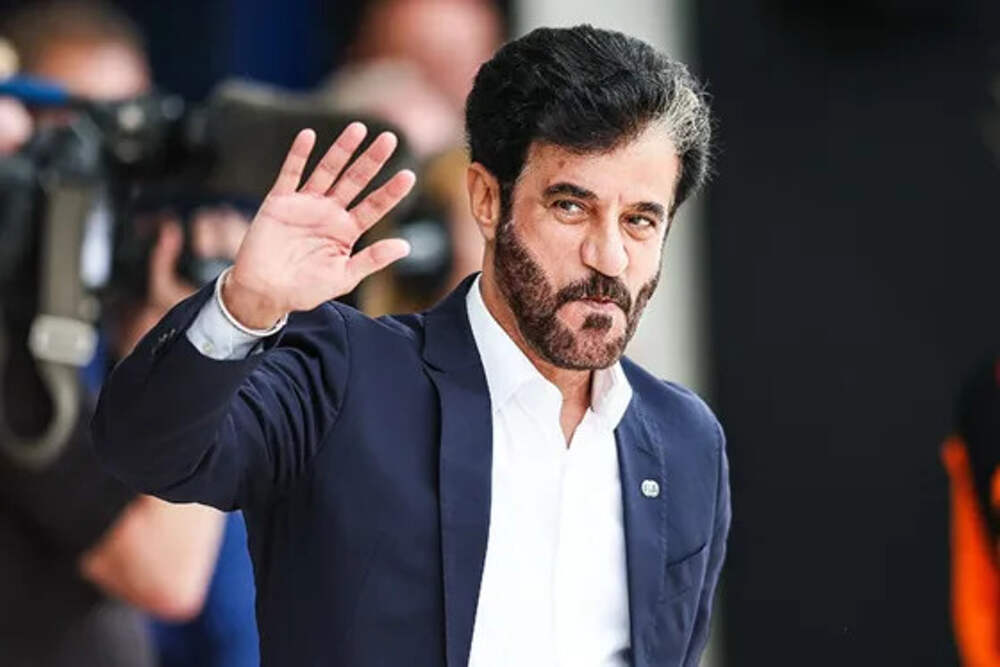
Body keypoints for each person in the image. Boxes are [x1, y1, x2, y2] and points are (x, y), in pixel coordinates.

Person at [94, 25, 730, 666]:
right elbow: (151, 453)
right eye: (571, 207)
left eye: (640, 220)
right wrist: (246, 304)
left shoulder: (684, 439)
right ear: (487, 200)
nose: (609, 257)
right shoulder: (347, 374)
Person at [0, 2, 231, 664]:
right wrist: (214, 335)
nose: (106, 164)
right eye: (77, 128)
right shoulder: (17, 334)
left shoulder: (107, 309)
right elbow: (165, 572)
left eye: (131, 130)